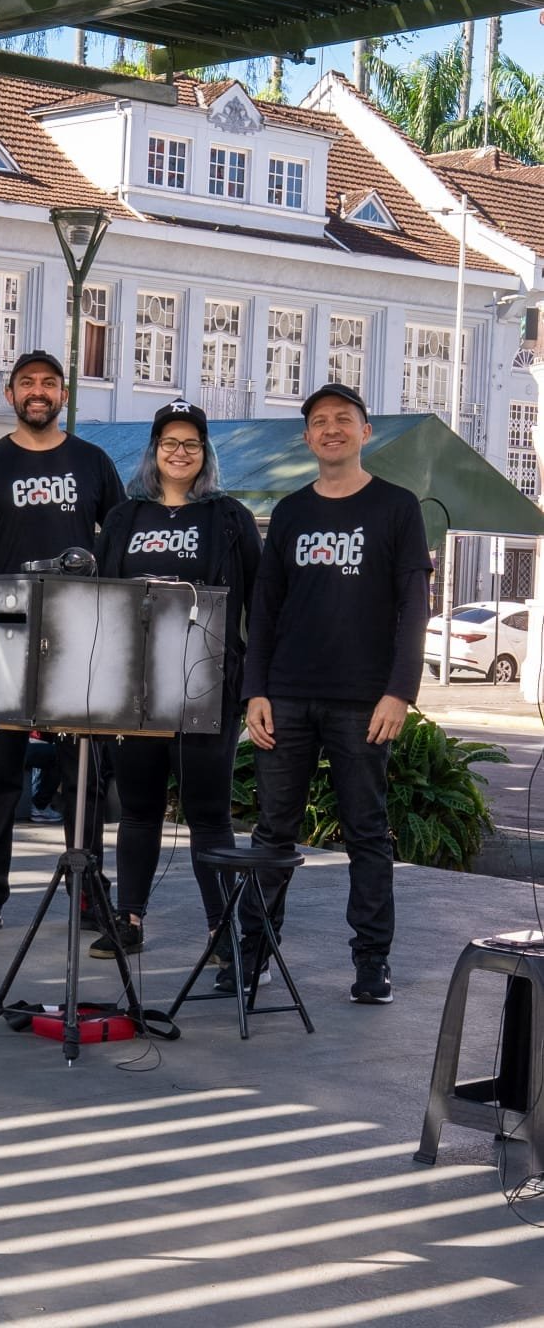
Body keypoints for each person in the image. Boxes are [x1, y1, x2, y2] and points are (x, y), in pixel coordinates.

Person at [236, 382, 431, 1004]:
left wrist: (399, 691)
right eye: (318, 421)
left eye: (343, 419)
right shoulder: (291, 512)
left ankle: (372, 962)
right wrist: (255, 691)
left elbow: (414, 608)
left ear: (365, 431)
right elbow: (264, 608)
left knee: (367, 832)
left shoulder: (398, 507)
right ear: (307, 437)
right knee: (272, 832)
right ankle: (253, 954)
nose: (331, 429)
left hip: (362, 701)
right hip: (287, 696)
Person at [0, 350, 125, 936]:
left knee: (84, 772)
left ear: (64, 394)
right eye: (28, 383)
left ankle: (88, 890)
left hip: (79, 634)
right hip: (8, 630)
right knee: (0, 771)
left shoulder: (92, 462)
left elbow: (122, 546)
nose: (39, 391)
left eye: (50, 382)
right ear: (11, 394)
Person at [87, 399, 261, 959]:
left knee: (208, 813)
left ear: (205, 453)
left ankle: (220, 929)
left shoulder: (229, 518)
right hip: (135, 688)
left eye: (191, 444)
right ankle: (129, 918)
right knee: (137, 809)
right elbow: (100, 602)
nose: (179, 453)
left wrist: (256, 683)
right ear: (154, 452)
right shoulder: (123, 518)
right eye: (169, 443)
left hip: (207, 684)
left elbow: (258, 607)